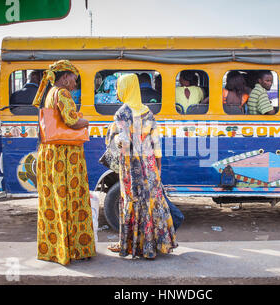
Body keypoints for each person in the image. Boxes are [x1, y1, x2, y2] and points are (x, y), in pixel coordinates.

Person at [105, 74, 178, 259]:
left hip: (131, 166)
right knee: (152, 202)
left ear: (126, 88)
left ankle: (130, 246)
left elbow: (118, 143)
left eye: (119, 87)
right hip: (150, 164)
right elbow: (157, 144)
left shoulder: (122, 113)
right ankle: (155, 246)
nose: (117, 91)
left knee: (132, 202)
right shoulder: (148, 112)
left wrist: (111, 134)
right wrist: (158, 169)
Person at [32, 60, 96, 265]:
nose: (75, 84)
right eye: (74, 79)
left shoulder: (50, 93)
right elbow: (71, 121)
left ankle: (56, 250)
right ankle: (75, 249)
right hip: (65, 155)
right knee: (72, 199)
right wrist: (86, 121)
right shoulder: (63, 93)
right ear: (66, 77)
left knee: (55, 201)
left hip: (51, 152)